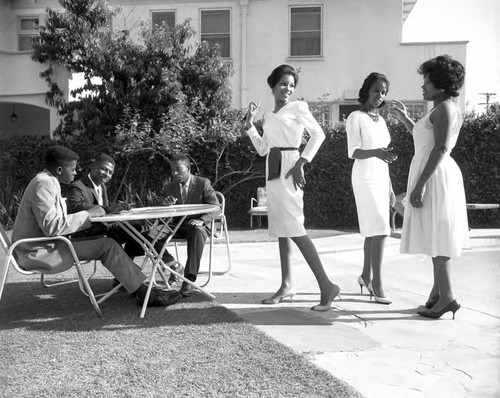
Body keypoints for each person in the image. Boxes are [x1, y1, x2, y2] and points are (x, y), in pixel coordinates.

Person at [11, 145, 182, 308]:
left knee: (112, 241)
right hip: (37, 253)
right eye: (73, 169)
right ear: (60, 170)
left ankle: (139, 289)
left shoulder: (48, 181)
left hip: (50, 246)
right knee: (108, 245)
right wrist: (89, 214)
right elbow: (52, 227)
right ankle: (145, 294)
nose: (76, 172)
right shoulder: (44, 183)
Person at [243, 64, 340, 311]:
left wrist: (301, 163)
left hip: (291, 167)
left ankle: (327, 285)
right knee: (282, 229)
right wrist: (250, 126)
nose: (288, 89)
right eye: (284, 84)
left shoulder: (298, 107)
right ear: (273, 85)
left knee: (295, 227)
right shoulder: (270, 115)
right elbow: (264, 149)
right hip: (273, 170)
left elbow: (318, 135)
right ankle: (286, 285)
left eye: (292, 85)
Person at [391, 55, 469, 319]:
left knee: (438, 235)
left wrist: (420, 185)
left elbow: (441, 148)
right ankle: (437, 294)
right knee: (434, 234)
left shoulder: (446, 108)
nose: (422, 87)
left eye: (427, 82)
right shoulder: (439, 108)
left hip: (435, 176)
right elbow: (425, 140)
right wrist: (404, 118)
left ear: (441, 84)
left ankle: (447, 297)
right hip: (431, 173)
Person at [66, 154, 185, 284]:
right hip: (86, 233)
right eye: (104, 169)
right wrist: (107, 209)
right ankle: (128, 275)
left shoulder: (102, 187)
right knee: (133, 232)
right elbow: (75, 206)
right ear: (93, 166)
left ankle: (124, 276)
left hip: (102, 228)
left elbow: (105, 212)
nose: (107, 174)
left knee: (137, 229)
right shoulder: (77, 186)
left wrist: (118, 210)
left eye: (110, 172)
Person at [346, 72, 398, 305]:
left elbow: (384, 156)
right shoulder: (355, 117)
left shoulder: (382, 120)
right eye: (377, 90)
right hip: (364, 176)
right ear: (367, 90)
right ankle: (377, 284)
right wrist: (377, 153)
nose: (380, 95)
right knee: (380, 228)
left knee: (373, 230)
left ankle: (365, 276)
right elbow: (353, 151)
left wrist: (389, 187)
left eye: (384, 91)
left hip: (380, 176)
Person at [158, 153, 220, 297]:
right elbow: (162, 210)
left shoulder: (202, 183)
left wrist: (203, 220)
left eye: (178, 169)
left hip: (198, 225)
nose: (174, 173)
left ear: (188, 168)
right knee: (149, 235)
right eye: (172, 170)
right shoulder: (169, 187)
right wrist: (165, 205)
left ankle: (189, 279)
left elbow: (216, 207)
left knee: (196, 230)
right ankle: (174, 266)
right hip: (176, 225)